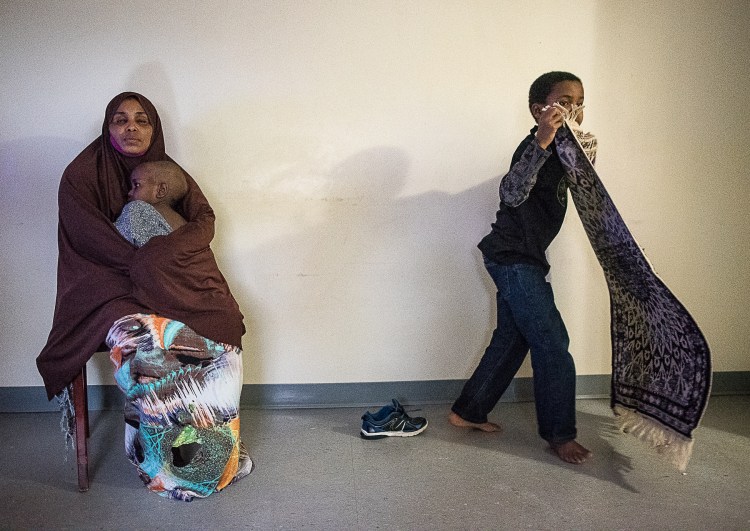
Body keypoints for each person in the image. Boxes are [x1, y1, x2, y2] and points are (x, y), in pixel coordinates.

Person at [37, 92, 252, 500]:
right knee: (148, 353)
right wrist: (149, 265)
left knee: (218, 336)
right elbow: (95, 244)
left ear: (154, 129)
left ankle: (217, 456)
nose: (131, 127)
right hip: (108, 291)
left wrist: (161, 261)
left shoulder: (165, 173)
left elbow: (202, 224)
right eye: (121, 120)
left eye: (142, 120)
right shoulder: (79, 177)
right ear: (108, 127)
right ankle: (164, 469)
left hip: (173, 288)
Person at [449, 71, 593, 464]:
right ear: (539, 109)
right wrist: (544, 140)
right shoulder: (532, 146)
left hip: (523, 256)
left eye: (579, 101)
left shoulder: (572, 151)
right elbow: (512, 194)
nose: (574, 108)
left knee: (512, 339)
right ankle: (560, 435)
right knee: (551, 342)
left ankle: (468, 411)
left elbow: (590, 197)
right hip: (512, 256)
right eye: (564, 100)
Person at [115, 160, 189, 247]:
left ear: (161, 190)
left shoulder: (137, 209)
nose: (129, 193)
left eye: (137, 185)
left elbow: (113, 242)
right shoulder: (185, 224)